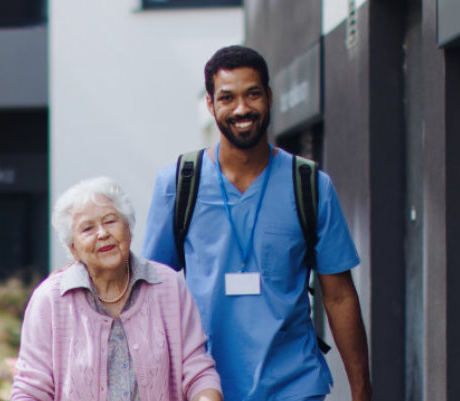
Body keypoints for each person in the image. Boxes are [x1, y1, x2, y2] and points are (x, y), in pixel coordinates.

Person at [143, 45, 373, 401]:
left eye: (252, 94)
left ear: (269, 96)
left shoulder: (309, 185)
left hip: (294, 386)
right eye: (227, 97)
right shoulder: (178, 184)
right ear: (210, 104)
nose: (241, 109)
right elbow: (152, 294)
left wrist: (361, 391)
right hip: (205, 388)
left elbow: (340, 296)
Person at [12, 177, 223, 401]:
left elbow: (196, 369)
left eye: (110, 221)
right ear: (73, 248)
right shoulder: (50, 299)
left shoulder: (168, 286)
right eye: (88, 228)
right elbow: (31, 388)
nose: (102, 233)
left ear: (128, 230)